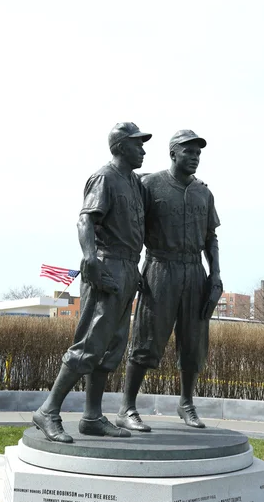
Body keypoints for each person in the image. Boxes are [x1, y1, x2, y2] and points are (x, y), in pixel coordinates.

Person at [33, 122, 152, 442]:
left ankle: (93, 416)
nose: (143, 149)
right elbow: (86, 219)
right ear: (120, 147)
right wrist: (90, 259)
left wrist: (134, 270)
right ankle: (48, 411)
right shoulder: (105, 177)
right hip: (106, 265)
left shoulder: (134, 183)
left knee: (111, 348)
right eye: (137, 144)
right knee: (89, 346)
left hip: (127, 267)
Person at [116, 130, 223, 432]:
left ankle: (186, 403)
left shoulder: (204, 192)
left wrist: (215, 276)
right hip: (160, 268)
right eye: (188, 152)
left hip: (194, 272)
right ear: (173, 153)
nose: (194, 158)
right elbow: (132, 226)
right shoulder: (150, 184)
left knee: (193, 342)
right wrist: (133, 266)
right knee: (147, 339)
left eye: (198, 153)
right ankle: (127, 407)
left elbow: (211, 238)